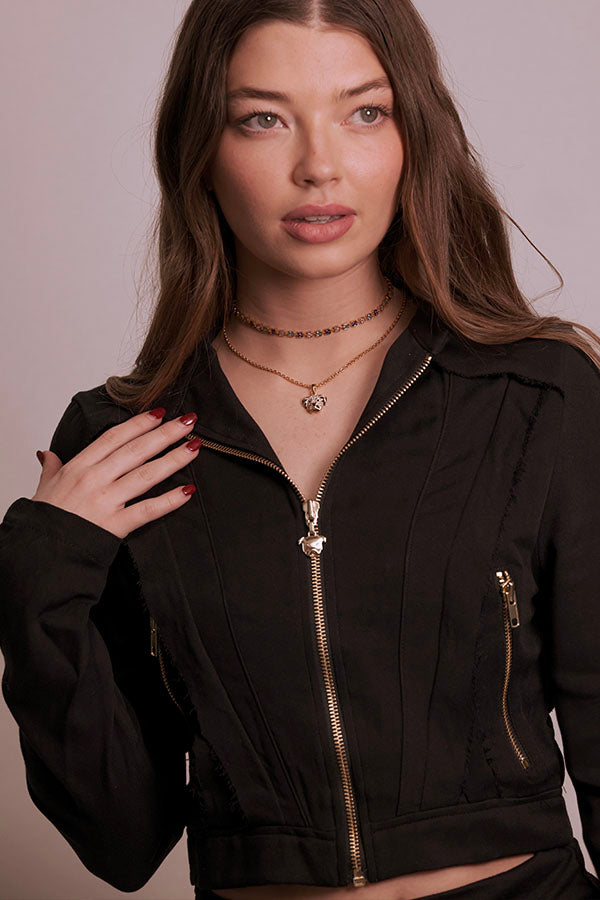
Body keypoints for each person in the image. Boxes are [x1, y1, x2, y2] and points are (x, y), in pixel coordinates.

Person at [1, 1, 600, 898]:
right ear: (200, 148)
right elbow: (120, 841)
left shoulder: (537, 393)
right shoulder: (120, 443)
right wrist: (39, 577)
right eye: (263, 119)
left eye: (365, 111)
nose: (320, 165)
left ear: (413, 136)